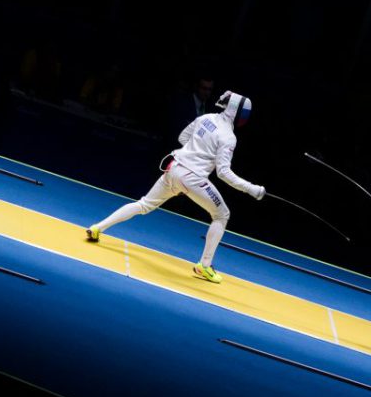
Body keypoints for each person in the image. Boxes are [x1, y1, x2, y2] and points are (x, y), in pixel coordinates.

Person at [84, 90, 265, 284]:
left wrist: (194, 153)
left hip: (174, 168)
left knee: (144, 204)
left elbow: (182, 138)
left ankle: (97, 228)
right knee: (222, 215)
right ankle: (204, 265)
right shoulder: (228, 137)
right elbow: (223, 173)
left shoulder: (205, 118)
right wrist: (251, 188)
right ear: (237, 112)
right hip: (192, 178)